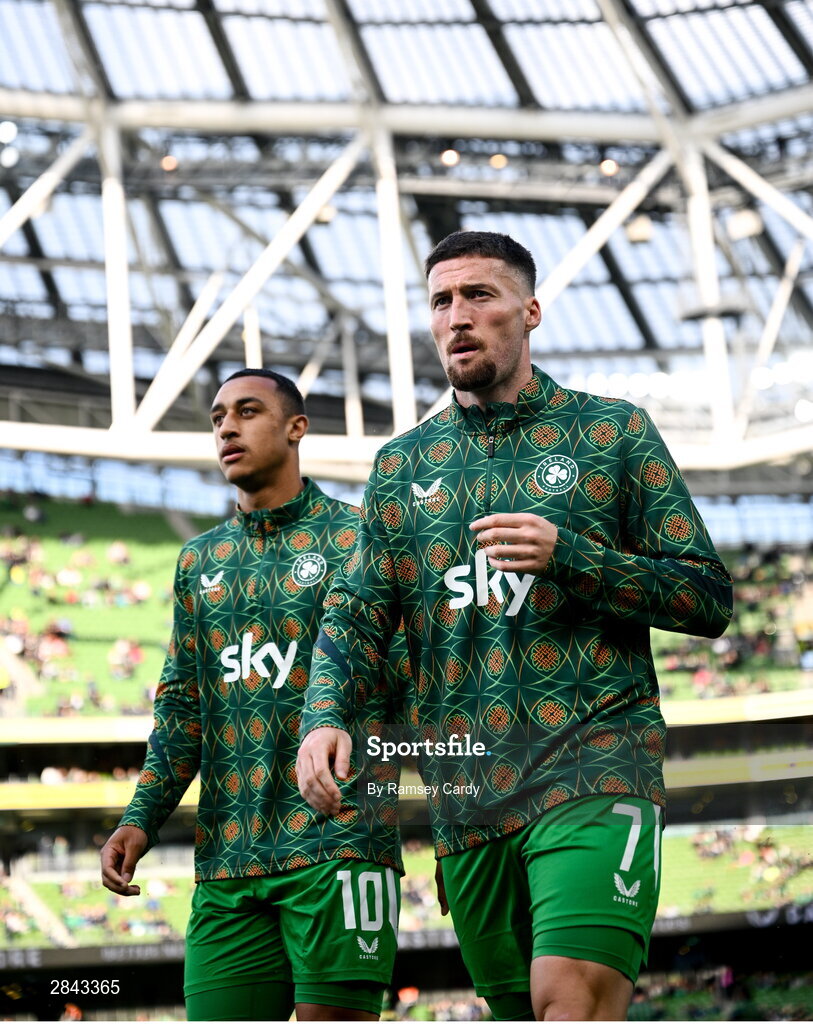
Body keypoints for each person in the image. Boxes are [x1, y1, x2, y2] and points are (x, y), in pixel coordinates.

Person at [297, 231, 734, 1021]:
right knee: (516, 1008)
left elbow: (705, 597)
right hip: (465, 789)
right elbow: (357, 611)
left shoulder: (612, 433)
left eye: (479, 296)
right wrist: (322, 717)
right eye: (440, 301)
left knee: (566, 998)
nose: (456, 316)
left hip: (595, 758)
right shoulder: (401, 467)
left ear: (529, 312)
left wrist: (573, 557)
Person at [101, 368, 406, 1022]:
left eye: (246, 411)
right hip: (227, 859)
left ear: (297, 427)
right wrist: (139, 818)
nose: (227, 428)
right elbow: (181, 710)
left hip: (340, 846)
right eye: (216, 418)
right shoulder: (197, 562)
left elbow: (414, 689)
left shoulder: (359, 538)